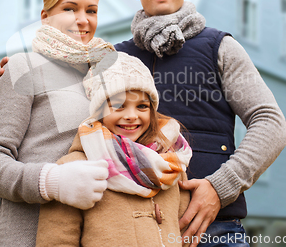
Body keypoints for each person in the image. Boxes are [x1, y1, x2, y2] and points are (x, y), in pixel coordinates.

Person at [0, 0, 286, 247]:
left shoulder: (219, 47)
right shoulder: (110, 58)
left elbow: (271, 124)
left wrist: (219, 187)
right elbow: (63, 72)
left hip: (215, 229)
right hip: (135, 232)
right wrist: (23, 69)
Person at [0, 0, 118, 246]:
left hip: (94, 233)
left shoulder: (107, 77)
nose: (83, 19)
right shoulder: (22, 68)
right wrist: (52, 181)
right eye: (69, 8)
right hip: (29, 233)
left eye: (92, 10)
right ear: (45, 17)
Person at [36, 52, 193, 246]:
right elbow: (57, 241)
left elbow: (185, 235)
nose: (131, 116)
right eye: (118, 106)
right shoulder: (73, 168)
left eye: (142, 106)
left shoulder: (171, 165)